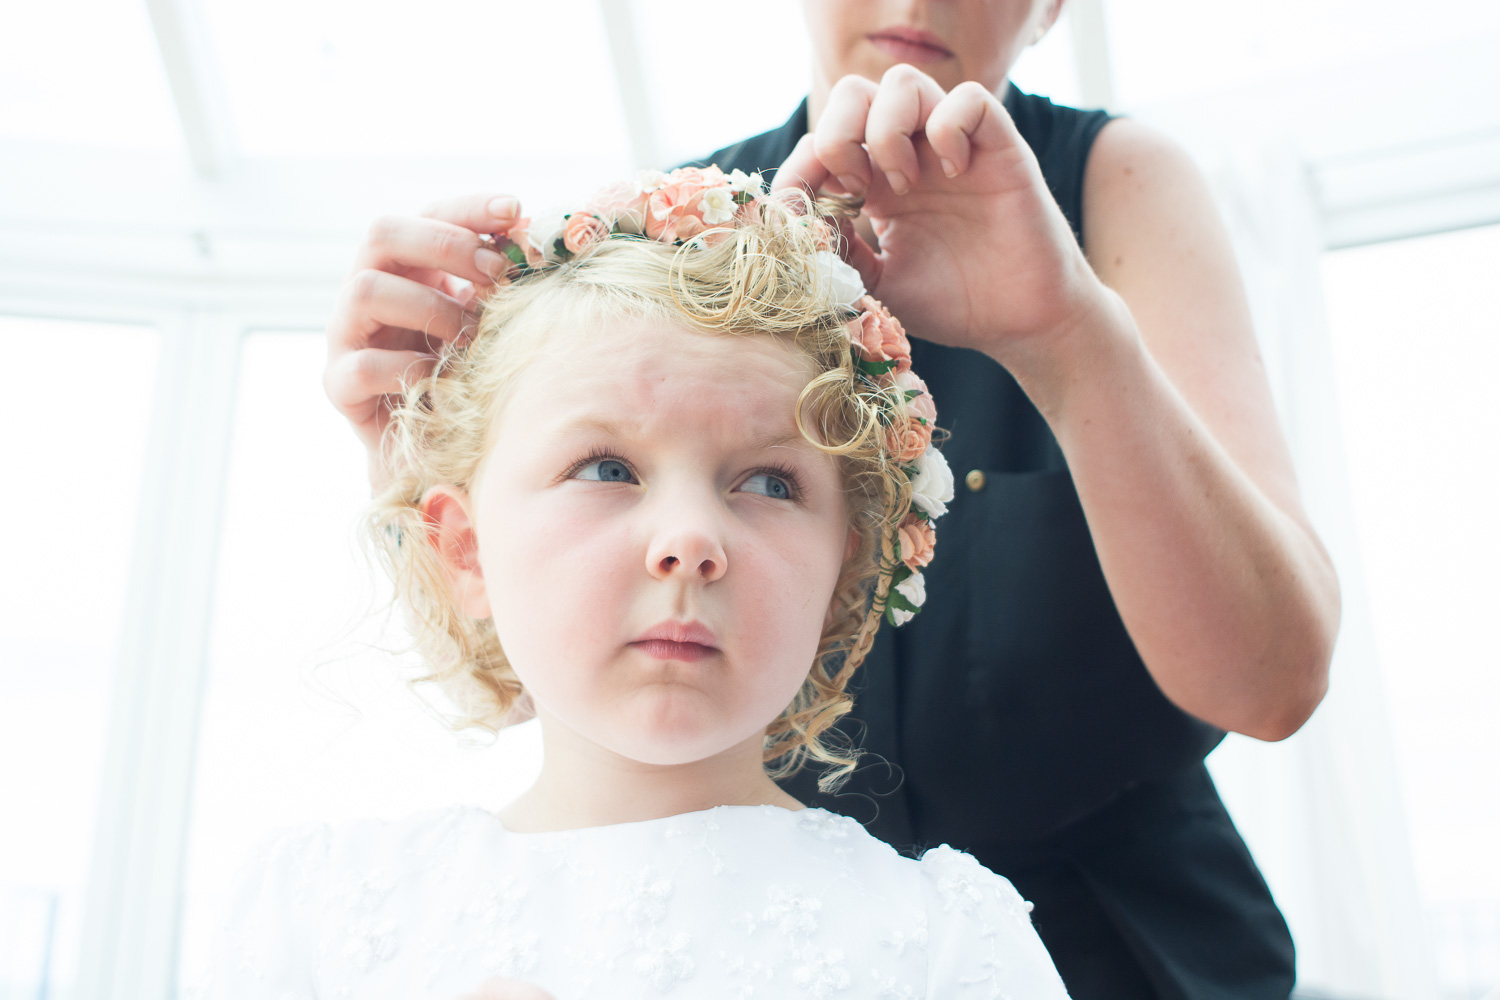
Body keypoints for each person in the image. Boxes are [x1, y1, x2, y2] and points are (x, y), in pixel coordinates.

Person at [320, 3, 1342, 997]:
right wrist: (423, 451)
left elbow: (1273, 682)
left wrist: (1068, 339)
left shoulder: (1117, 186)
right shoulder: (678, 234)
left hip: (1123, 947)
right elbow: (585, 673)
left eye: (768, 482)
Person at [201, 169, 1071, 998]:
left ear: (843, 570)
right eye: (607, 466)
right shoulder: (318, 913)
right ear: (465, 552)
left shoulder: (951, 942)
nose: (690, 541)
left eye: (768, 484)